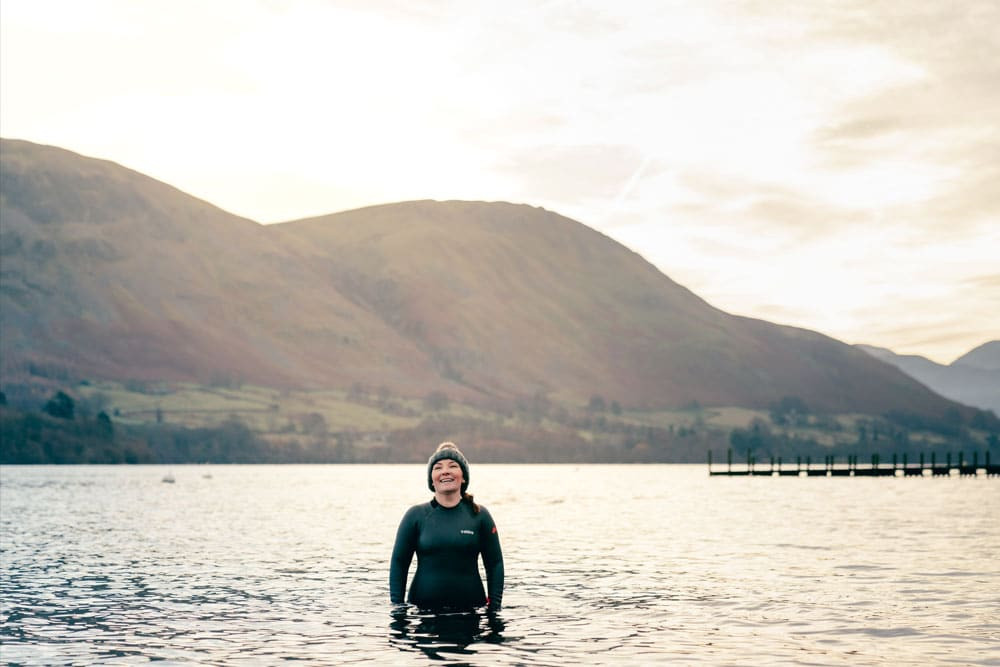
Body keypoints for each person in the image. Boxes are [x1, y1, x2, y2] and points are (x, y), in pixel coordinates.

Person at [390, 442, 504, 612]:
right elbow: (399, 563)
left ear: (463, 477)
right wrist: (397, 607)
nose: (445, 471)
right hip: (422, 614)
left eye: (453, 466)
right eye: (438, 467)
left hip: (471, 613)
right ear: (432, 480)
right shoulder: (416, 516)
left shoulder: (480, 516)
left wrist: (495, 607)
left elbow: (495, 564)